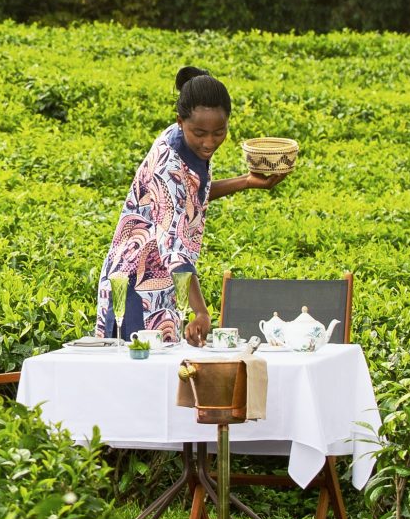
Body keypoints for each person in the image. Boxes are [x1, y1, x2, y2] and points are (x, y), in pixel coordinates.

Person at [94, 66, 288, 346]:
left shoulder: (185, 141)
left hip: (166, 280)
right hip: (136, 284)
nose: (209, 142)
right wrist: (201, 311)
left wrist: (246, 181)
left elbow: (190, 198)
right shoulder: (168, 164)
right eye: (200, 133)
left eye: (219, 132)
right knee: (138, 375)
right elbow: (174, 245)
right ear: (180, 121)